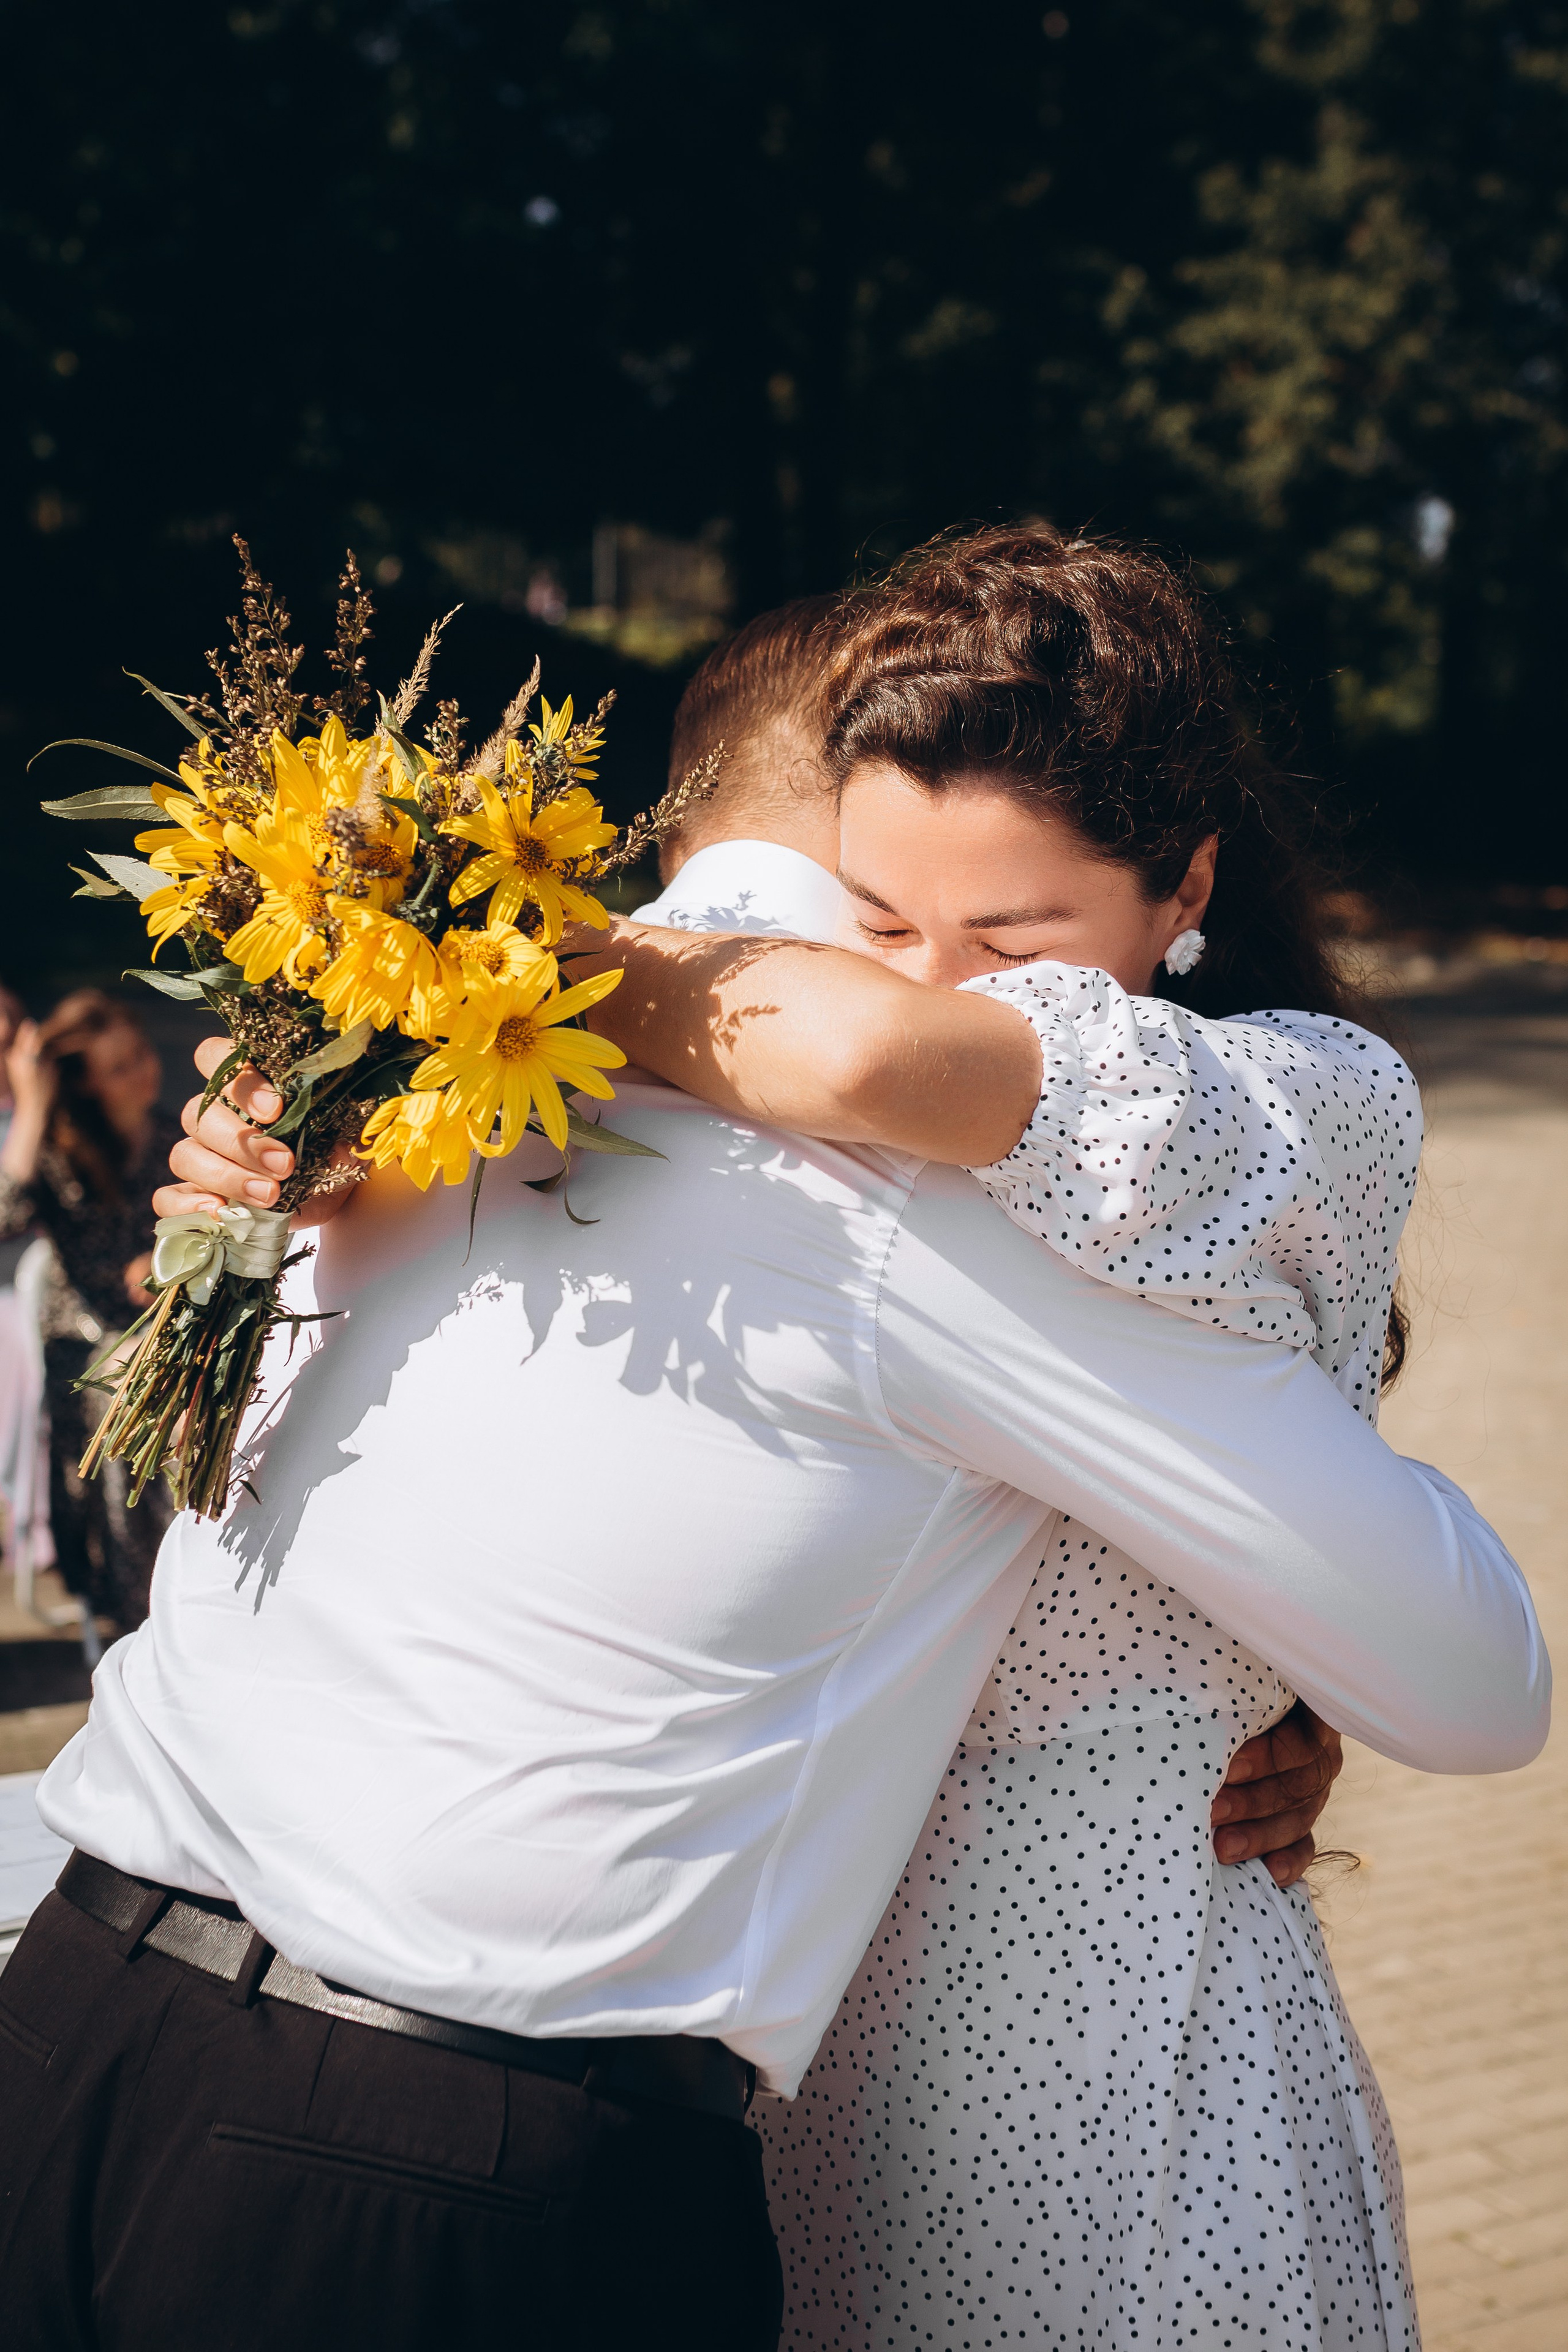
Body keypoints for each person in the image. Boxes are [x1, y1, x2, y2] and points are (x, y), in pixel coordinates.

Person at [2, 602, 1544, 2352]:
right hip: (434, 2163)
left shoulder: (379, 1105)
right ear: (844, 832)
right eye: (889, 915)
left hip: (73, 2009)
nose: (946, 979)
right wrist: (1250, 1674)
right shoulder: (910, 1210)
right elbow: (1472, 1667)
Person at [535, 525, 1490, 2344]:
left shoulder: (1289, 1098)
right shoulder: (783, 1128)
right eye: (878, 922)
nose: (931, 982)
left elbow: (873, 1057)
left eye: (1018, 940)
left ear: (1184, 884)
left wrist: (489, 974)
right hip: (796, 2020)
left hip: (1115, 2037)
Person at [0, 991, 179, 1637]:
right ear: (89, 1083)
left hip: (163, 1335)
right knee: (125, 1388)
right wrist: (33, 1104)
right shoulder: (57, 1153)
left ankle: (202, 1580)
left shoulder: (172, 1139)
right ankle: (144, 1604)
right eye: (122, 1065)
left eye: (142, 1054)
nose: (144, 1071)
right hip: (89, 1353)